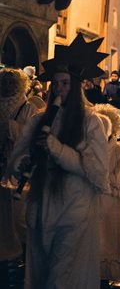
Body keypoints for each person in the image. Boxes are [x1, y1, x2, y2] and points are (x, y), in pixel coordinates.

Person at [6, 33, 110, 289]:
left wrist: (56, 148)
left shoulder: (90, 122)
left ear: (75, 87)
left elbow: (96, 171)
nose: (59, 89)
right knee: (41, 274)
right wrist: (21, 163)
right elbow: (17, 157)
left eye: (65, 83)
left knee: (61, 277)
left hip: (75, 208)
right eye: (56, 84)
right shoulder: (38, 119)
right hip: (42, 207)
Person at [0, 68, 38, 266]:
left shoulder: (27, 107)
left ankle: (21, 251)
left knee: (18, 213)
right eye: (4, 82)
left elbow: (30, 136)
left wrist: (10, 128)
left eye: (11, 82)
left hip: (17, 166)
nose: (7, 86)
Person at [93, 103, 120, 284]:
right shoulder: (90, 148)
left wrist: (105, 179)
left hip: (110, 202)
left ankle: (106, 277)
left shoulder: (118, 150)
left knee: (109, 240)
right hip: (92, 201)